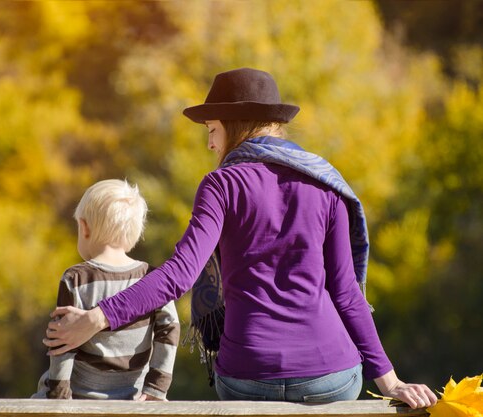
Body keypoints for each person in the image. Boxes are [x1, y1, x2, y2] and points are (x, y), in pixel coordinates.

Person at [42, 68, 438, 408]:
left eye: (213, 130)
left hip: (248, 377)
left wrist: (95, 319)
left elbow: (180, 275)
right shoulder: (325, 184)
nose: (211, 144)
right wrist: (391, 382)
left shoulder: (222, 184)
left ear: (237, 125)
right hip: (330, 378)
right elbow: (347, 293)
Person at [32, 179, 179, 400]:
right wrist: (156, 389)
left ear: (84, 227)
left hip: (79, 396)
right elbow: (170, 329)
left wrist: (59, 399)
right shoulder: (152, 279)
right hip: (133, 398)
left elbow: (62, 344)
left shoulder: (76, 278)